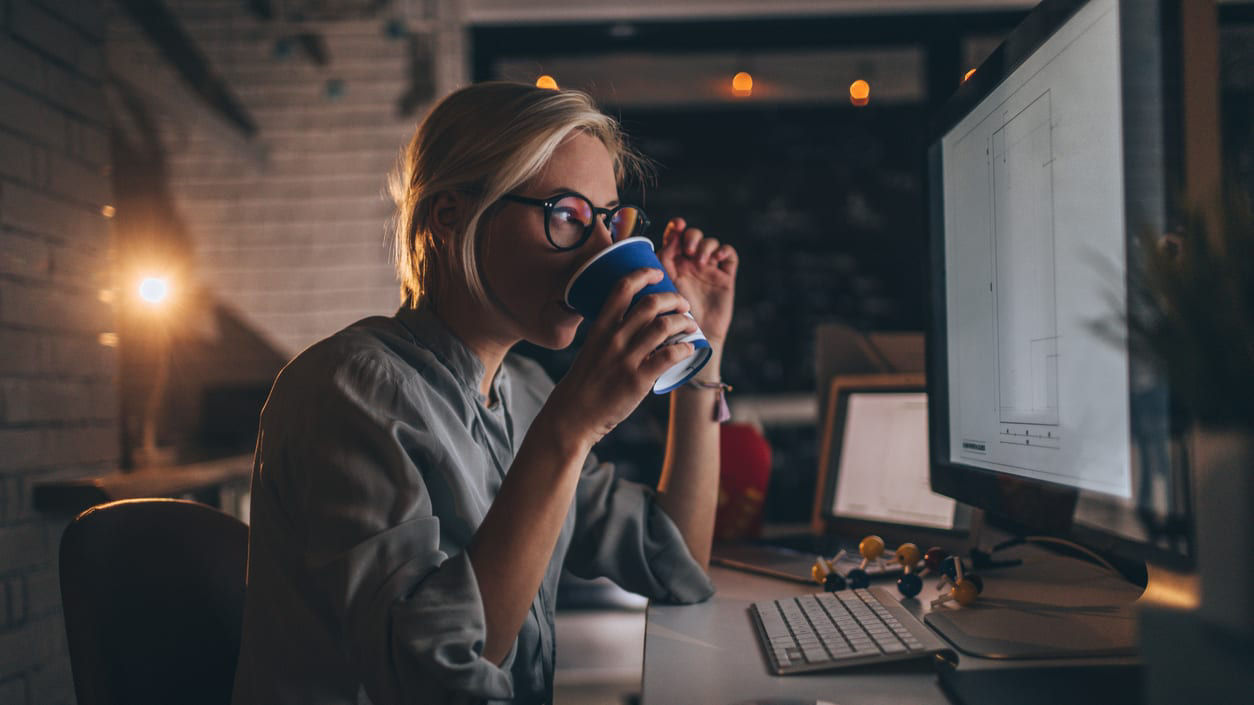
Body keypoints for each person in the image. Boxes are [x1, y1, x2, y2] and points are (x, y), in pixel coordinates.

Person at [231, 81, 740, 705]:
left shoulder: (524, 392)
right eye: (567, 216)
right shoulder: (347, 391)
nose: (606, 251)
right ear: (450, 218)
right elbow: (435, 680)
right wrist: (572, 427)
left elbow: (676, 564)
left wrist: (699, 353)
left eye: (609, 220)